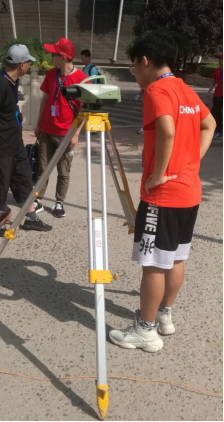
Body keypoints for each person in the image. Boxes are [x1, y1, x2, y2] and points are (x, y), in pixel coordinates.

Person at [109, 31, 216, 353]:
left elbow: (167, 130)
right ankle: (164, 316)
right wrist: (191, 160)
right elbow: (208, 124)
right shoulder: (184, 88)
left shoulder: (157, 90)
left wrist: (158, 174)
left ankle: (145, 330)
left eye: (133, 67)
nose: (136, 74)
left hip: (164, 197)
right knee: (175, 258)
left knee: (154, 264)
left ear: (144, 61)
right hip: (189, 191)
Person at [0, 44, 52, 233]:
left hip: (15, 144)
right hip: (2, 147)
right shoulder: (0, 84)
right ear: (21, 65)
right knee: (0, 186)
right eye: (28, 62)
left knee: (25, 180)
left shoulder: (13, 81)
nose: (29, 66)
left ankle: (31, 217)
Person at [34, 38, 87, 218]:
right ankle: (38, 199)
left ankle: (59, 201)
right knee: (43, 167)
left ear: (63, 57)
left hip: (66, 133)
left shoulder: (81, 79)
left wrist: (76, 134)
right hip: (46, 130)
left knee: (63, 171)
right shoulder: (51, 74)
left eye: (54, 53)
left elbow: (83, 110)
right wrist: (38, 124)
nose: (51, 56)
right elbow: (44, 100)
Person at [208, 53, 223, 139]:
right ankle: (219, 131)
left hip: (222, 95)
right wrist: (209, 91)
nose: (219, 61)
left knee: (214, 112)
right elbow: (213, 82)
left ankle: (217, 131)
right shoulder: (217, 71)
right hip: (216, 94)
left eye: (221, 59)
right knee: (217, 113)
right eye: (219, 59)